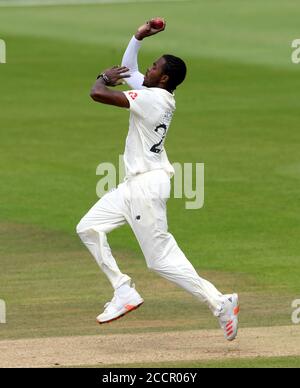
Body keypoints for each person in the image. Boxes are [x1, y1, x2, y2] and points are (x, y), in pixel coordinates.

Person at [76, 19, 239, 341]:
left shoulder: (152, 99)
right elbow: (127, 69)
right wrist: (138, 37)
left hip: (146, 186)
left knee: (160, 258)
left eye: (153, 67)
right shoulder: (156, 92)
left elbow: (98, 93)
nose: (146, 70)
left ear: (163, 77)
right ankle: (123, 290)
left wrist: (102, 78)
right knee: (88, 228)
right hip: (133, 185)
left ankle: (220, 303)